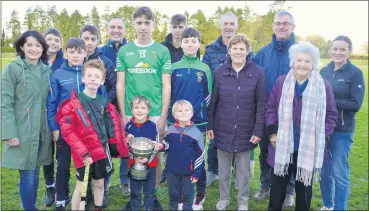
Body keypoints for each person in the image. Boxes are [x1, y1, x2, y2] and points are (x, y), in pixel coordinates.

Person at [265, 42, 338, 211]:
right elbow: (270, 108)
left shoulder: (323, 86)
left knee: (304, 189)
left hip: (307, 148)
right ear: (292, 62)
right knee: (277, 188)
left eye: (307, 61)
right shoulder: (282, 82)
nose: (302, 65)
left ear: (313, 64)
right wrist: (272, 134)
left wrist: (322, 135)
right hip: (282, 145)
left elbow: (331, 114)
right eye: (299, 60)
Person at [116, 6, 171, 210]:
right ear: (134, 25)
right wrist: (123, 114)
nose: (143, 27)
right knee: (131, 153)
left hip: (155, 112)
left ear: (153, 24)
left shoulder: (162, 51)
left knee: (154, 155)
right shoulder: (124, 50)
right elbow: (120, 84)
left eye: (147, 23)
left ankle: (152, 194)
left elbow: (166, 85)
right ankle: (134, 198)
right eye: (139, 23)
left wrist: (164, 115)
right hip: (131, 113)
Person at [55, 59, 128, 211]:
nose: (93, 79)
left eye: (97, 76)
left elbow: (111, 128)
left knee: (100, 183)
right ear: (83, 78)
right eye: (89, 75)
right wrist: (83, 153)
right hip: (84, 153)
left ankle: (98, 207)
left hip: (101, 151)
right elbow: (69, 132)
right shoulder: (73, 104)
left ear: (102, 81)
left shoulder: (104, 103)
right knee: (81, 186)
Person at [207, 34, 267, 210]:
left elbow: (261, 103)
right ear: (229, 50)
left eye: (242, 48)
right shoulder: (219, 71)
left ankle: (243, 201)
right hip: (222, 128)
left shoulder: (258, 72)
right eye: (235, 48)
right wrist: (210, 125)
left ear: (247, 51)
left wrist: (258, 130)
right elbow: (213, 101)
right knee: (223, 171)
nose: (238, 52)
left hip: (246, 130)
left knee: (243, 171)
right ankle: (224, 198)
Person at [47, 37, 106, 211]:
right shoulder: (58, 74)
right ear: (65, 53)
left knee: (88, 164)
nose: (75, 55)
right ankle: (60, 200)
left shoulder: (90, 73)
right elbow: (51, 104)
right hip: (66, 130)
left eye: (79, 52)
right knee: (63, 165)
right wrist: (54, 128)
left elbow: (101, 99)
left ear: (85, 53)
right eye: (71, 52)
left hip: (88, 132)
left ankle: (85, 198)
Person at [1, 30, 52, 211]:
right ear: (22, 46)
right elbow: (5, 103)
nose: (34, 49)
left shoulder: (47, 70)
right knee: (28, 174)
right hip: (22, 131)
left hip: (41, 130)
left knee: (36, 170)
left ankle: (31, 207)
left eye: (38, 45)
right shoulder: (12, 69)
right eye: (29, 44)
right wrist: (9, 133)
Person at [201, 11, 253, 187]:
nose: (228, 27)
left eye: (232, 23)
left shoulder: (244, 47)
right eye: (226, 23)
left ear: (236, 26)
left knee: (239, 139)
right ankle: (213, 171)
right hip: (218, 101)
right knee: (215, 140)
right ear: (220, 25)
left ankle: (237, 173)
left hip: (239, 101)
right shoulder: (210, 50)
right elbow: (206, 75)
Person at [254, 10, 297, 206]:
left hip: (293, 113)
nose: (281, 26)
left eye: (285, 23)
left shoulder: (299, 52)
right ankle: (266, 184)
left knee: (291, 151)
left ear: (292, 27)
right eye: (278, 23)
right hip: (267, 113)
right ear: (273, 26)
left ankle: (289, 189)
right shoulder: (262, 53)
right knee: (265, 151)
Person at [167, 27, 212, 210]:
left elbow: (208, 96)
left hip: (198, 123)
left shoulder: (205, 68)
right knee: (178, 158)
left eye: (194, 41)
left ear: (199, 44)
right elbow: (169, 94)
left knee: (197, 157)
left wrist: (202, 116)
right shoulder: (174, 67)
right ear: (181, 43)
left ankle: (199, 193)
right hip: (175, 123)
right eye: (186, 41)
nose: (190, 44)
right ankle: (180, 196)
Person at [319, 36, 365, 211]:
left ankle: (340, 208)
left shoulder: (355, 73)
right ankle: (327, 205)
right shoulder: (324, 71)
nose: (338, 52)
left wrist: (330, 100)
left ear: (349, 51)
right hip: (323, 130)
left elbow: (355, 104)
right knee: (324, 173)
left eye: (342, 49)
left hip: (342, 131)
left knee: (339, 173)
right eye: (335, 49)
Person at [80, 24, 117, 207]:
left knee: (103, 161)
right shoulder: (75, 58)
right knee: (84, 161)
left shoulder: (106, 61)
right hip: (81, 119)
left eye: (92, 39)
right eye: (85, 38)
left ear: (97, 40)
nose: (89, 42)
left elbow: (112, 87)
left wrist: (103, 105)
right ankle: (84, 194)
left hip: (100, 114)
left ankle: (103, 190)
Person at [99, 16, 130, 196]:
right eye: (113, 27)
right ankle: (107, 175)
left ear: (125, 30)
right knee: (106, 142)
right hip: (107, 106)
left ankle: (125, 179)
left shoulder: (131, 50)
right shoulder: (101, 52)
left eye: (120, 27)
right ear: (107, 29)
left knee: (126, 142)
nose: (116, 30)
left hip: (128, 105)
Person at [158, 100, 205, 211]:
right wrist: (161, 147)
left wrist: (196, 174)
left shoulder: (196, 133)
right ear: (174, 115)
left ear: (192, 113)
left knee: (188, 198)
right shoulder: (170, 130)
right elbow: (167, 145)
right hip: (172, 171)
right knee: (173, 196)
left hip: (188, 173)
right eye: (179, 111)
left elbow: (200, 156)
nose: (183, 113)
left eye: (186, 110)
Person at [42, 27, 66, 207]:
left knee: (61, 153)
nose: (53, 43)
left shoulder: (64, 63)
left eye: (56, 40)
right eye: (49, 39)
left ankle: (61, 186)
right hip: (39, 114)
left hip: (59, 116)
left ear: (61, 43)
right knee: (46, 152)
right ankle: (50, 187)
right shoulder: (36, 60)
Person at [124, 96, 162, 211]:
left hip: (150, 164)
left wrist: (147, 160)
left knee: (149, 191)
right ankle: (134, 207)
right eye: (136, 107)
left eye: (143, 108)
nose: (139, 110)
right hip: (133, 164)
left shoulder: (152, 126)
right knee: (135, 191)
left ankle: (149, 208)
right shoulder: (128, 126)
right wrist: (134, 158)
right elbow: (126, 147)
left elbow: (156, 146)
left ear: (148, 110)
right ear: (131, 110)